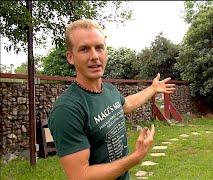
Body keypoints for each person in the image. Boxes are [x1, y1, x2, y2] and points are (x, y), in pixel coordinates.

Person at [48, 19, 176, 180]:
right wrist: (135, 157)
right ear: (70, 57)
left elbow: (126, 105)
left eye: (99, 48)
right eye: (84, 49)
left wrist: (152, 89)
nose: (94, 56)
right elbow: (80, 176)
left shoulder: (108, 89)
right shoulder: (67, 110)